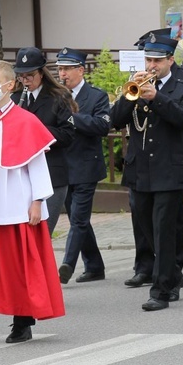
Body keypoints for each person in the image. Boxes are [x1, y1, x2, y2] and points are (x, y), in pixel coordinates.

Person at [0, 60, 64, 345]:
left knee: (18, 267)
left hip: (18, 205)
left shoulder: (26, 120)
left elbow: (37, 165)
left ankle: (22, 323)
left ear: (11, 85)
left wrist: (37, 201)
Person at [110, 34, 183, 311]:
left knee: (163, 229)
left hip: (169, 168)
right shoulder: (135, 85)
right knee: (145, 227)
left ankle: (160, 291)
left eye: (157, 60)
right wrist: (131, 93)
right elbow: (114, 120)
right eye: (148, 59)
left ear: (170, 60)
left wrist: (157, 97)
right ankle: (172, 274)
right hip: (140, 168)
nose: (152, 65)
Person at [10, 47, 77, 247]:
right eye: (21, 76)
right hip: (21, 176)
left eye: (30, 75)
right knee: (22, 237)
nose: (25, 80)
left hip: (52, 174)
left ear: (41, 72)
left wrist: (35, 130)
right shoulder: (14, 99)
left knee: (41, 235)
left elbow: (67, 134)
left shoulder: (58, 97)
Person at [57, 47, 110, 283]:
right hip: (63, 166)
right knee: (80, 218)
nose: (62, 74)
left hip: (86, 165)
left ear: (80, 69)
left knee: (78, 218)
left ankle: (67, 264)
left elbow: (101, 125)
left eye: (67, 69)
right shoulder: (56, 95)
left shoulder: (96, 95)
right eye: (60, 69)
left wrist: (70, 118)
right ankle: (95, 266)